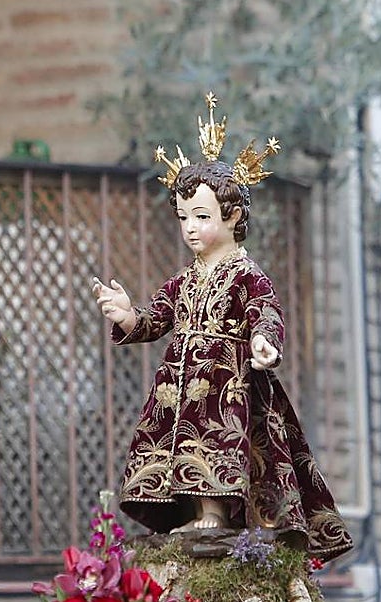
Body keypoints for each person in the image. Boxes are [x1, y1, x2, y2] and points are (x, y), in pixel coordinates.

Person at [92, 95, 352, 561]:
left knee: (218, 439)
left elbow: (265, 311)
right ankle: (194, 509)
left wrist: (263, 343)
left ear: (232, 217)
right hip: (181, 381)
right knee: (180, 440)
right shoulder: (184, 279)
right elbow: (156, 319)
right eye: (184, 217)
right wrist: (127, 314)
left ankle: (215, 511)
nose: (190, 228)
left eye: (202, 217)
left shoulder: (246, 274)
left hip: (227, 381)